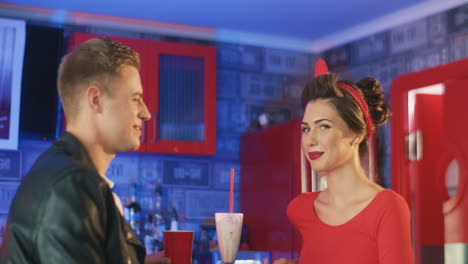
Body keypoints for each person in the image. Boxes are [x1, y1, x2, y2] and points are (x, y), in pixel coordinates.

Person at [0, 37, 170, 264]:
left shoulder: (65, 170)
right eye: (135, 99)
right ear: (96, 99)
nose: (146, 113)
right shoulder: (73, 186)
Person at [273, 59, 413, 264]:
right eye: (306, 129)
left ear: (356, 134)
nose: (310, 140)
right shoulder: (301, 209)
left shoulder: (387, 207)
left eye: (324, 126)